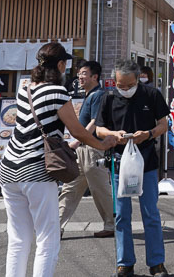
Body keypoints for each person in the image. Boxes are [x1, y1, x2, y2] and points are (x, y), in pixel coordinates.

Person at [0, 43, 116, 277]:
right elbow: (78, 131)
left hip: (9, 168)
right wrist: (103, 144)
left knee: (19, 238)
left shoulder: (26, 88)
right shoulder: (58, 92)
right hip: (36, 171)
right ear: (61, 65)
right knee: (47, 237)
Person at [96, 63, 171, 277]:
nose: (125, 88)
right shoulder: (108, 98)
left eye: (129, 85)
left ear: (138, 79)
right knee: (121, 215)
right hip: (119, 163)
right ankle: (124, 263)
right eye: (120, 85)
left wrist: (147, 134)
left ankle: (157, 263)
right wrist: (113, 134)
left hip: (146, 161)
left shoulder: (151, 94)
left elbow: (164, 124)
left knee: (151, 213)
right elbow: (99, 129)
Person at [58, 60, 115, 238]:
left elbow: (95, 121)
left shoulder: (98, 95)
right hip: (83, 149)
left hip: (92, 149)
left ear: (94, 77)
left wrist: (77, 142)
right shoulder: (90, 94)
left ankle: (112, 225)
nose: (79, 77)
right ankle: (55, 225)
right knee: (70, 188)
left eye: (83, 73)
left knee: (100, 189)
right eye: (79, 73)